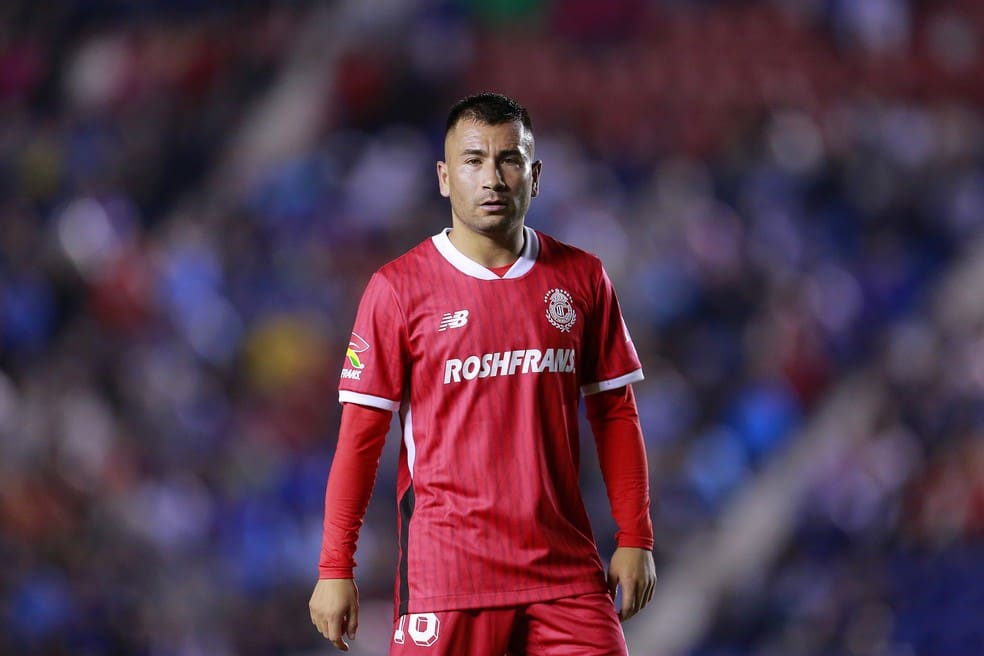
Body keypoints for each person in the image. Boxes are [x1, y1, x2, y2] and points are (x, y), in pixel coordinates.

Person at [309, 92, 656, 655]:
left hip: (565, 575)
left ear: (535, 175)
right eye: (473, 161)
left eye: (509, 160)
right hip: (448, 579)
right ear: (445, 177)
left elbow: (615, 413)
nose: (492, 178)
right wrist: (334, 567)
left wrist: (636, 536)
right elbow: (360, 439)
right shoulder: (398, 289)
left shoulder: (583, 278)